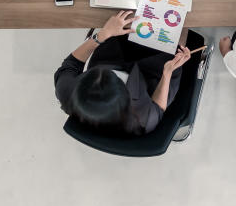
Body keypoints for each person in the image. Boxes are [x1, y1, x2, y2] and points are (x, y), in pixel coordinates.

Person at [53, 11, 192, 135]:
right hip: (150, 76)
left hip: (110, 56)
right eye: (112, 75)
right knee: (178, 21)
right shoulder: (141, 118)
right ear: (125, 95)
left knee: (123, 13)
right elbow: (157, 108)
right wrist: (167, 74)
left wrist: (102, 35)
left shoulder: (66, 92)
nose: (105, 72)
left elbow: (71, 64)